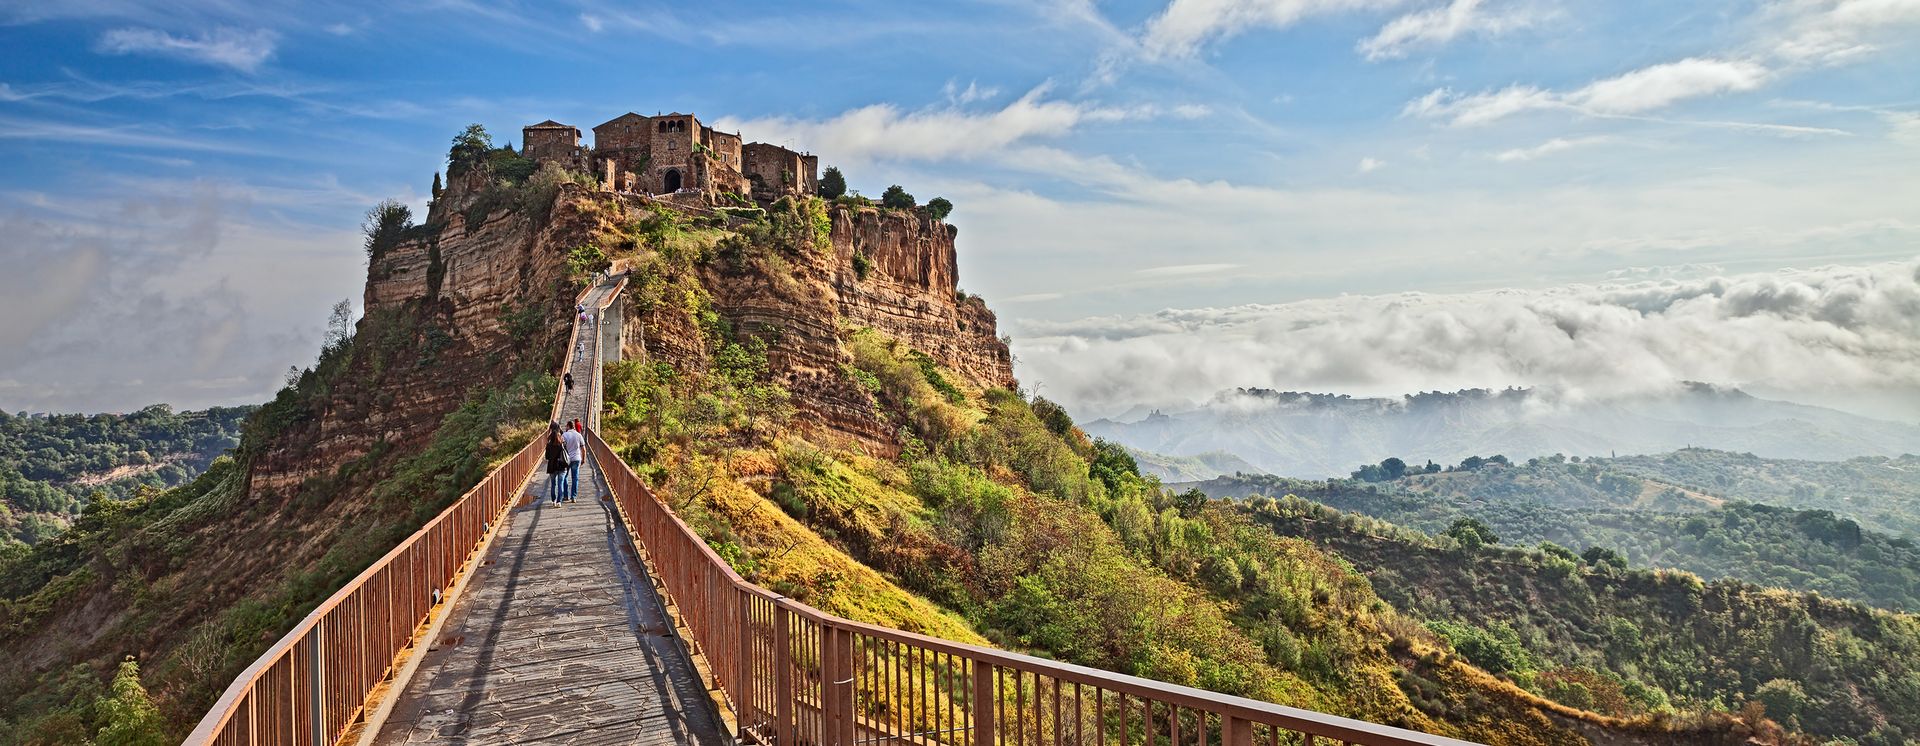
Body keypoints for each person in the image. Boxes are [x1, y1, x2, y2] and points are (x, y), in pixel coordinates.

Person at [560, 419, 585, 503]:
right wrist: (583, 459)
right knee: (575, 478)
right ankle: (573, 497)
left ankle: (566, 496)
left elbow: (560, 446)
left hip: (567, 459)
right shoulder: (579, 435)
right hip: (577, 458)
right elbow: (583, 448)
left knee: (565, 477)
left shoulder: (564, 435)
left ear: (568, 426)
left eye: (566, 426)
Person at [544, 424, 567, 506]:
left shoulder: (548, 445)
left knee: (553, 484)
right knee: (560, 484)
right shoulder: (562, 445)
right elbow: (566, 454)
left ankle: (553, 500)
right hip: (561, 466)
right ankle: (559, 501)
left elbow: (547, 457)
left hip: (552, 466)